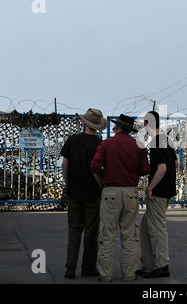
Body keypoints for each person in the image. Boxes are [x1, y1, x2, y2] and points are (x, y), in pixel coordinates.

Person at [90, 114, 150, 283]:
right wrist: (132, 173)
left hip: (110, 192)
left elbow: (94, 165)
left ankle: (105, 275)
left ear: (116, 128)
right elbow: (146, 169)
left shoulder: (107, 143)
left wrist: (105, 176)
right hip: (131, 192)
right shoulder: (138, 144)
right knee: (130, 236)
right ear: (130, 130)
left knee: (106, 235)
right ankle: (129, 275)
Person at [60, 108, 107, 279]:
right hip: (92, 193)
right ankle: (88, 267)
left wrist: (67, 183)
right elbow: (98, 169)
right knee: (91, 231)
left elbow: (65, 163)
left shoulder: (73, 140)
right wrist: (100, 187)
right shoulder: (99, 143)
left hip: (74, 191)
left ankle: (70, 267)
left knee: (74, 229)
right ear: (97, 126)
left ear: (84, 123)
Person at [136, 111, 178, 278]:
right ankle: (147, 265)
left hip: (159, 191)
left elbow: (162, 168)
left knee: (157, 228)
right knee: (146, 227)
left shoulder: (155, 143)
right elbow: (175, 163)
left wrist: (150, 188)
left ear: (147, 124)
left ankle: (162, 265)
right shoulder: (167, 140)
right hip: (168, 189)